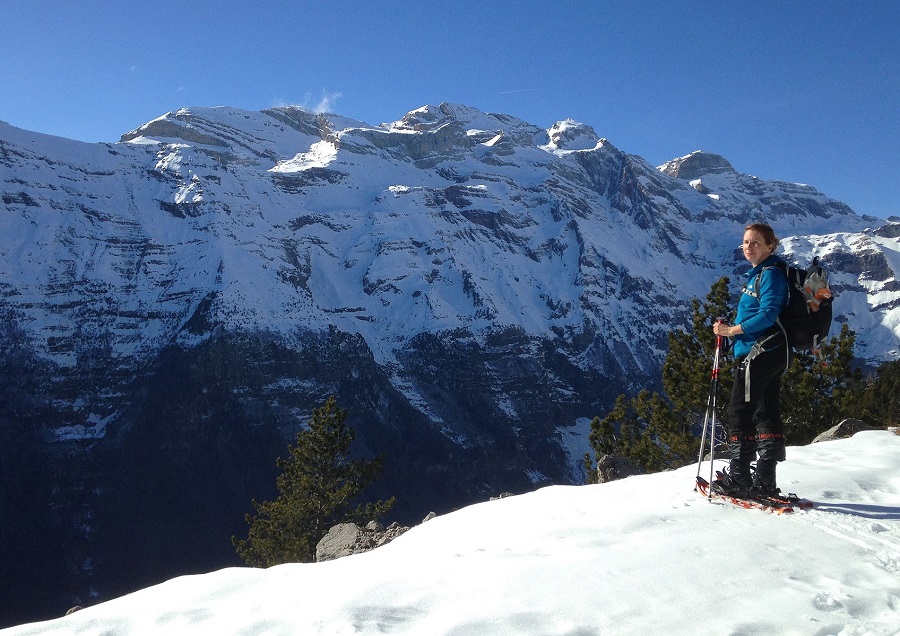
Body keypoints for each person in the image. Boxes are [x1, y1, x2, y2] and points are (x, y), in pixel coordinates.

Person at [711, 223, 790, 498]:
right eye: (745, 242)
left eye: (755, 242)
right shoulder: (762, 274)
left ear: (771, 246)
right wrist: (730, 329)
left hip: (761, 351)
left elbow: (768, 314)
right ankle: (765, 479)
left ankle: (740, 477)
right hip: (771, 351)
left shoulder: (770, 275)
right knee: (767, 410)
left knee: (739, 410)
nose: (748, 247)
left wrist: (731, 331)